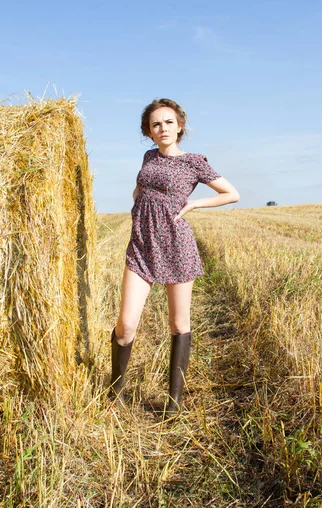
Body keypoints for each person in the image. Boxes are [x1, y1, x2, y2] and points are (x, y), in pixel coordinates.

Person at [108, 98, 240, 417]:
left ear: (179, 126)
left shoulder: (194, 162)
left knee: (179, 323)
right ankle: (116, 393)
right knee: (126, 325)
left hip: (176, 245)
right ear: (148, 132)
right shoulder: (148, 156)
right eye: (156, 124)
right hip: (141, 244)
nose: (162, 128)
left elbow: (231, 193)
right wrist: (138, 202)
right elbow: (139, 188)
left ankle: (174, 401)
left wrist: (194, 204)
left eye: (168, 122)